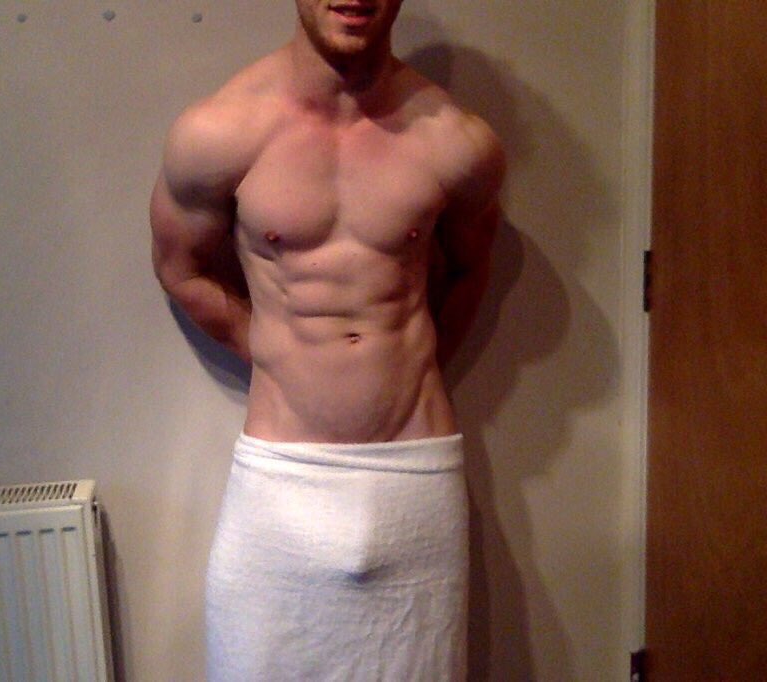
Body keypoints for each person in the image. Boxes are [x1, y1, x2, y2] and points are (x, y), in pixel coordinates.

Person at [150, 1, 504, 679]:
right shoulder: (219, 132)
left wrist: (404, 362)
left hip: (414, 487)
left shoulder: (458, 142)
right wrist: (275, 351)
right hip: (280, 489)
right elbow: (179, 268)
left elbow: (470, 268)